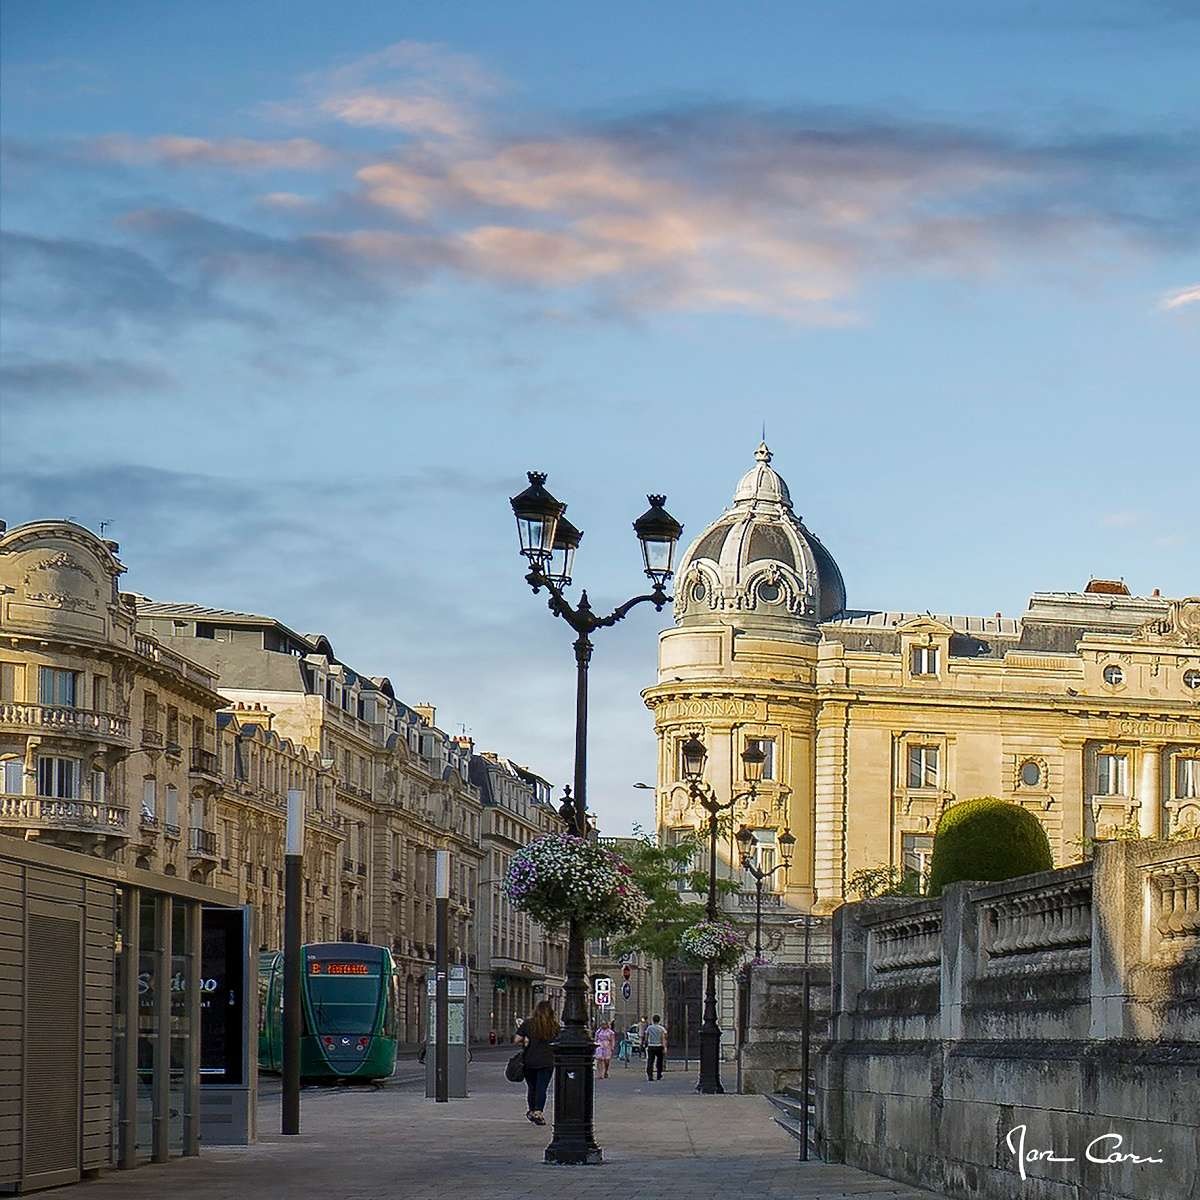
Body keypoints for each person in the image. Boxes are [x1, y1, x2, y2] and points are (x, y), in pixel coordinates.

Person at [514, 1000, 558, 1125]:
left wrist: (526, 1041)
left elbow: (516, 1040)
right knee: (541, 1087)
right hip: (547, 1061)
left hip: (530, 1060)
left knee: (532, 1087)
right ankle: (538, 1112)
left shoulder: (528, 1024)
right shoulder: (554, 1025)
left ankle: (532, 1110)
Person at [643, 1014, 667, 1081]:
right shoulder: (661, 1028)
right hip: (659, 1046)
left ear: (653, 1020)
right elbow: (663, 1038)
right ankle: (659, 1074)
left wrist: (645, 1043)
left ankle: (650, 1075)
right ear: (659, 1020)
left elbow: (646, 1036)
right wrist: (664, 1047)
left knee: (650, 1061)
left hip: (651, 1046)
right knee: (659, 1061)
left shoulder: (649, 1028)